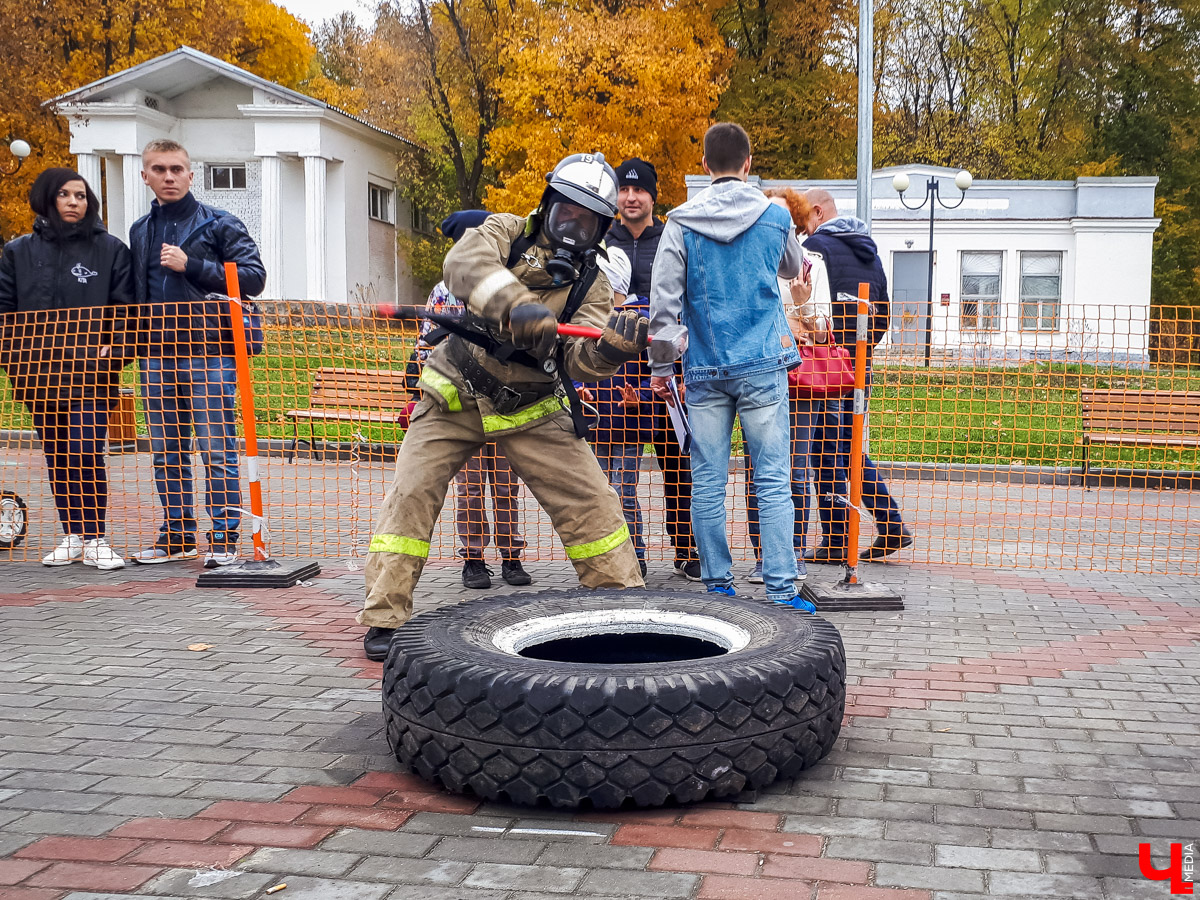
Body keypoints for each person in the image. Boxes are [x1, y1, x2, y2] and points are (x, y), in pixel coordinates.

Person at [360, 152, 650, 661]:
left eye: (587, 222)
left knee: (596, 509)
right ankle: (384, 618)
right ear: (547, 204)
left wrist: (610, 351)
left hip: (532, 406)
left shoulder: (594, 284)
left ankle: (622, 613)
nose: (573, 227)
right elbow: (463, 265)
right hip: (454, 391)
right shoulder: (503, 231)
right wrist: (519, 306)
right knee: (410, 495)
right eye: (567, 213)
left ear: (602, 228)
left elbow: (578, 360)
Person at [649, 123, 813, 611]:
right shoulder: (774, 217)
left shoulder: (679, 223)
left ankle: (718, 584)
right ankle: (782, 587)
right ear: (747, 164)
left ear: (704, 167)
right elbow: (792, 268)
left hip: (705, 370)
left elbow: (664, 303)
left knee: (707, 481)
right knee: (771, 478)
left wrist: (661, 369)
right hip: (763, 364)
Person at [128, 139, 266, 568]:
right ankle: (177, 535)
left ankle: (224, 537)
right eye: (159, 169)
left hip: (209, 354)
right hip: (156, 356)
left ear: (191, 175)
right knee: (166, 452)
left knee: (216, 450)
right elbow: (136, 293)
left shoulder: (220, 224)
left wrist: (193, 265)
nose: (168, 177)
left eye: (176, 169)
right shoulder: (140, 230)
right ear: (146, 175)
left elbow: (254, 277)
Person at [0, 168, 135, 570]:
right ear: (47, 199)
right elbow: (5, 313)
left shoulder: (110, 249)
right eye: (64, 194)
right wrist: (15, 361)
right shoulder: (17, 251)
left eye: (81, 195)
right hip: (37, 377)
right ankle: (72, 535)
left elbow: (125, 312)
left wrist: (113, 354)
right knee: (58, 455)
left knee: (86, 451)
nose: (74, 201)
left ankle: (96, 537)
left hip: (91, 378)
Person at [417, 211, 532, 590]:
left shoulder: (508, 288)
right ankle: (473, 558)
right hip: (460, 404)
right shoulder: (442, 292)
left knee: (505, 485)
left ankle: (511, 556)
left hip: (502, 403)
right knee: (468, 488)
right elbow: (425, 348)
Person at [801, 188, 914, 562]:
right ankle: (889, 522)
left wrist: (828, 346)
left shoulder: (816, 248)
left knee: (826, 451)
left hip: (824, 362)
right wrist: (860, 348)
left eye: (804, 218)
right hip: (859, 365)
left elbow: (813, 307)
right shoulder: (868, 249)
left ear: (817, 212)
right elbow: (881, 310)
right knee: (848, 445)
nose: (803, 227)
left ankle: (837, 540)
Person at [606, 158, 701, 581]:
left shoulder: (673, 237)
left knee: (681, 471)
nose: (630, 198)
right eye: (624, 191)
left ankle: (686, 550)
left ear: (652, 195)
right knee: (617, 478)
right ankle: (629, 556)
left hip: (670, 375)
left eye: (638, 190)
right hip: (615, 376)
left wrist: (681, 368)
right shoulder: (601, 240)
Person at [745, 187, 832, 583]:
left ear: (795, 222)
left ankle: (792, 554)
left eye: (781, 216)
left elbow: (821, 331)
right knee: (757, 471)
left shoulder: (813, 264)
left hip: (802, 384)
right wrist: (791, 325)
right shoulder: (750, 261)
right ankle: (764, 555)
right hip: (759, 376)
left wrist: (798, 308)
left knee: (795, 471)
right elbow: (753, 322)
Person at [581, 246, 652, 578]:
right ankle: (606, 555)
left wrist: (641, 396)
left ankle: (634, 552)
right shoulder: (589, 319)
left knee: (624, 491)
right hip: (596, 423)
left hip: (627, 425)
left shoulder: (639, 319)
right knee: (600, 493)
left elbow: (659, 375)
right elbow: (575, 364)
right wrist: (578, 389)